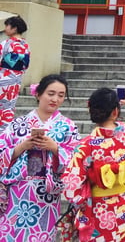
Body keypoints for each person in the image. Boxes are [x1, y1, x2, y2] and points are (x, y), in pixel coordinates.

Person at [62, 87, 125, 242]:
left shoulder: (85, 146)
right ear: (115, 112)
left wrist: (84, 199)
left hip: (100, 207)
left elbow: (71, 185)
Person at [0, 74, 80, 241]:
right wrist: (23, 146)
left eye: (61, 95)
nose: (55, 99)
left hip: (47, 193)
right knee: (12, 235)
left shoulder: (68, 126)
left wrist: (56, 149)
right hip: (18, 189)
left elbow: (77, 159)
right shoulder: (18, 124)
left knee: (42, 235)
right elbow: (2, 151)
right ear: (38, 94)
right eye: (50, 94)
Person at [0, 15, 30, 126]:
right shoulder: (25, 45)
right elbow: (25, 65)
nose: (6, 28)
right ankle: (5, 130)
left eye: (7, 25)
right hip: (16, 80)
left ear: (14, 28)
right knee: (9, 106)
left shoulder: (6, 44)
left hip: (3, 77)